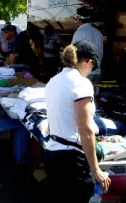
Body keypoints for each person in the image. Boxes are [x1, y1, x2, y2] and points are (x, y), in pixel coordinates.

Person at [44, 40, 111, 202]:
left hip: (52, 154)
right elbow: (85, 129)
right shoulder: (81, 84)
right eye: (93, 67)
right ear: (89, 62)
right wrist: (96, 170)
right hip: (72, 160)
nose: (91, 71)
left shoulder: (53, 81)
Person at [72, 6, 104, 85]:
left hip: (83, 73)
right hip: (97, 72)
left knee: (83, 96)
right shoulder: (98, 33)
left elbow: (73, 54)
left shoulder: (79, 33)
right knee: (93, 96)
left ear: (79, 19)